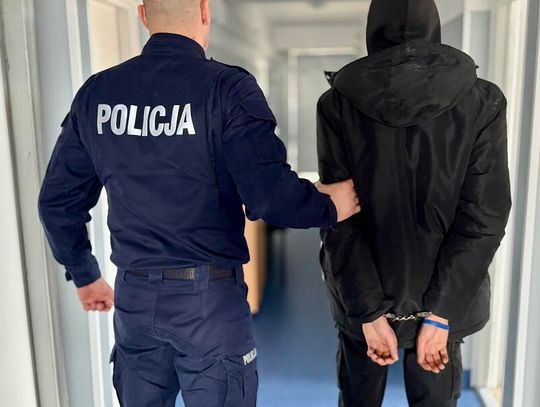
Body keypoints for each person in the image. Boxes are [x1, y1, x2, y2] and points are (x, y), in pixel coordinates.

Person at [38, 1, 360, 405]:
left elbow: (57, 201)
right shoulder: (227, 89)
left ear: (143, 15)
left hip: (135, 300)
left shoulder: (97, 93)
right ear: (206, 11)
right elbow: (268, 196)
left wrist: (85, 274)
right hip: (208, 304)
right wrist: (331, 206)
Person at [317, 0, 512, 406]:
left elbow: (339, 217)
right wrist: (441, 314)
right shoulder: (483, 100)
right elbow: (484, 216)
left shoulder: (337, 104)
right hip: (446, 300)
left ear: (373, 29)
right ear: (434, 26)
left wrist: (369, 313)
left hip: (362, 297)